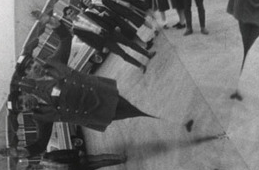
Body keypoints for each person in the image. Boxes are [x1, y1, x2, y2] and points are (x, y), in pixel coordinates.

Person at [12, 57, 156, 156]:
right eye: (22, 107)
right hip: (93, 114)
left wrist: (56, 25)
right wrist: (26, 151)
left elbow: (65, 39)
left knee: (132, 108)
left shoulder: (52, 65)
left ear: (24, 94)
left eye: (22, 101)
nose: (26, 105)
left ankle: (154, 115)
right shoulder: (40, 116)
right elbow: (41, 143)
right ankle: (154, 117)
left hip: (99, 94)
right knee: (129, 113)